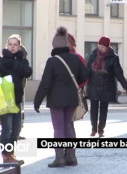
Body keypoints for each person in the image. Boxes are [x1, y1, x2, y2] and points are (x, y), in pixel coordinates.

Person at [34, 27, 88, 167]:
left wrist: (37, 100)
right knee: (68, 127)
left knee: (58, 128)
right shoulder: (75, 59)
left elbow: (45, 84)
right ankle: (71, 157)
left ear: (54, 45)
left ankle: (59, 158)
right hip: (71, 99)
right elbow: (86, 75)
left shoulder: (52, 61)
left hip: (56, 100)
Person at [0, 34, 32, 164]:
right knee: (7, 128)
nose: (12, 47)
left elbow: (28, 72)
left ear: (19, 46)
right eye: (10, 44)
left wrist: (14, 64)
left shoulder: (22, 60)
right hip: (4, 100)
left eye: (15, 44)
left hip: (17, 100)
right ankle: (6, 156)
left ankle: (10, 153)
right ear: (7, 45)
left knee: (16, 129)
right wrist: (3, 71)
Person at [87, 36, 127, 137]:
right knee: (93, 109)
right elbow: (87, 70)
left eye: (103, 46)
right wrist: (81, 82)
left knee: (103, 109)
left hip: (107, 86)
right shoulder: (93, 55)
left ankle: (101, 129)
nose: (100, 48)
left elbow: (119, 73)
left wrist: (125, 86)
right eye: (99, 46)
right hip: (94, 86)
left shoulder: (113, 58)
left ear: (107, 47)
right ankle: (93, 129)